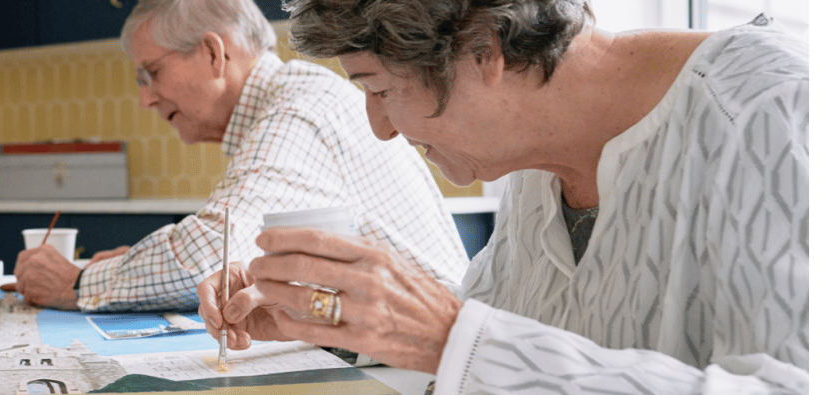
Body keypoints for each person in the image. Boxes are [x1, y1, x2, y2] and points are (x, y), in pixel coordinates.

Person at [203, 0, 809, 392]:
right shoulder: (532, 158)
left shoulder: (768, 112)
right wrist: (334, 323)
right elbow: (485, 344)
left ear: (484, 49)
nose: (379, 127)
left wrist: (452, 340)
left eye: (379, 88)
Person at [10, 0, 469, 313]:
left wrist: (76, 283)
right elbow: (239, 254)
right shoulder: (288, 100)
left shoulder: (297, 109)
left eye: (152, 73)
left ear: (213, 53)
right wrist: (113, 271)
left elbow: (213, 248)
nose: (146, 100)